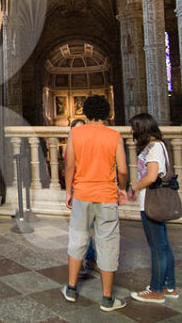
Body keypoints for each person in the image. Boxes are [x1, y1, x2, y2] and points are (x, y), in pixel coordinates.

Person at [62, 95, 128, 312]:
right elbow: (123, 170)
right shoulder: (114, 135)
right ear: (107, 113)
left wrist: (68, 191)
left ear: (86, 113)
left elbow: (70, 166)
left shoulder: (76, 133)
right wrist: (121, 188)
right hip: (107, 195)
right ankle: (107, 298)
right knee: (108, 243)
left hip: (81, 193)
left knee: (78, 238)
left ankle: (71, 289)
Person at [128, 113, 178, 304]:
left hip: (151, 201)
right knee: (163, 245)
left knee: (157, 247)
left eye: (134, 128)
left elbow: (151, 176)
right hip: (151, 199)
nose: (132, 132)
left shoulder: (154, 147)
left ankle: (156, 289)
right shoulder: (156, 146)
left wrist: (135, 187)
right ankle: (170, 286)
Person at [67, 118, 95, 279]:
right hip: (78, 188)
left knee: (91, 228)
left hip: (94, 188)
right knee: (80, 229)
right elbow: (70, 166)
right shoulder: (72, 146)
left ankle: (90, 259)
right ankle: (84, 261)